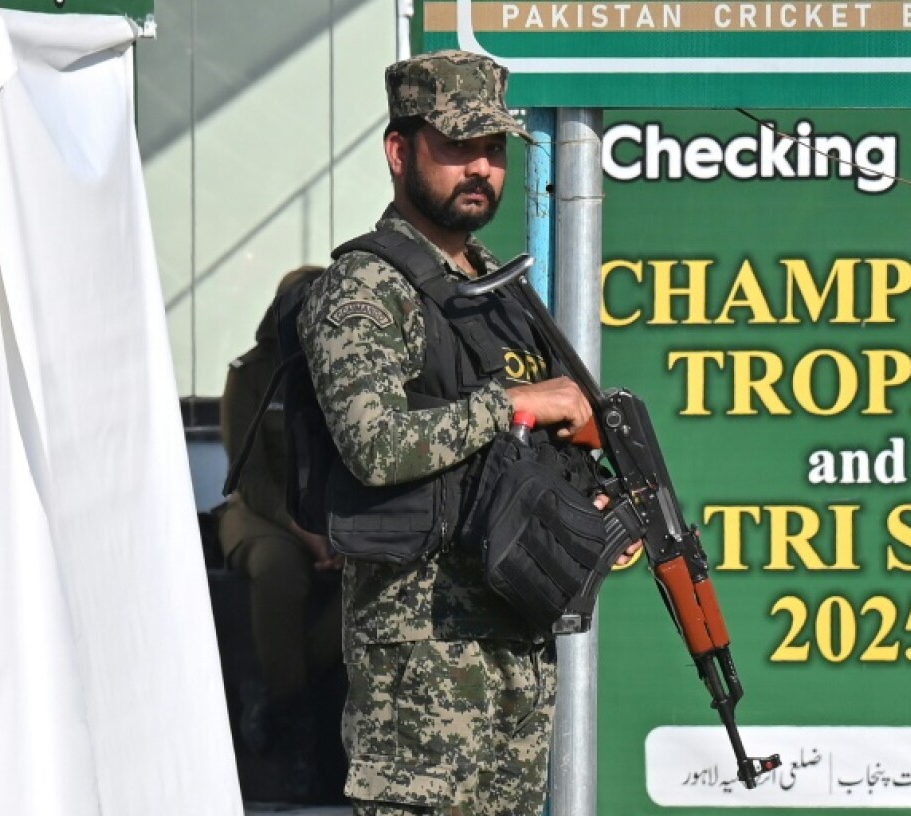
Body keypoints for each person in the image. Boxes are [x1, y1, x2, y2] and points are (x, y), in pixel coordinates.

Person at [296, 50, 638, 815]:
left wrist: (593, 518)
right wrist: (516, 403)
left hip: (510, 654)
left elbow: (525, 460)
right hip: (423, 674)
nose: (480, 167)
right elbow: (376, 444)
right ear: (399, 151)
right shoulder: (365, 287)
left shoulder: (494, 286)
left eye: (493, 149)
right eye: (457, 147)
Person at [218, 267, 346, 799]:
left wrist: (338, 532)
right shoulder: (251, 374)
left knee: (372, 588)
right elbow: (248, 474)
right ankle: (296, 734)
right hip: (263, 512)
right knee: (277, 574)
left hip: (337, 518)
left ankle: (272, 690)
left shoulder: (347, 369)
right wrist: (306, 532)